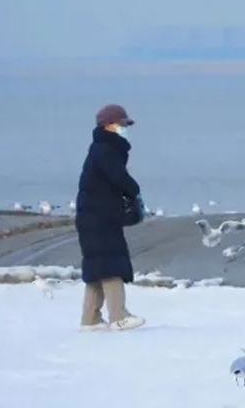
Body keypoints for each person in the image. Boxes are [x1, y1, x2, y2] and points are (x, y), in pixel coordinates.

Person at [74, 104, 147, 331]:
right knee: (111, 264)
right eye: (123, 124)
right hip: (100, 217)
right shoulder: (106, 149)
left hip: (93, 215)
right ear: (109, 125)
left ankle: (91, 319)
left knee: (97, 268)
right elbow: (119, 177)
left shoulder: (100, 148)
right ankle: (118, 315)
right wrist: (134, 191)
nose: (125, 128)